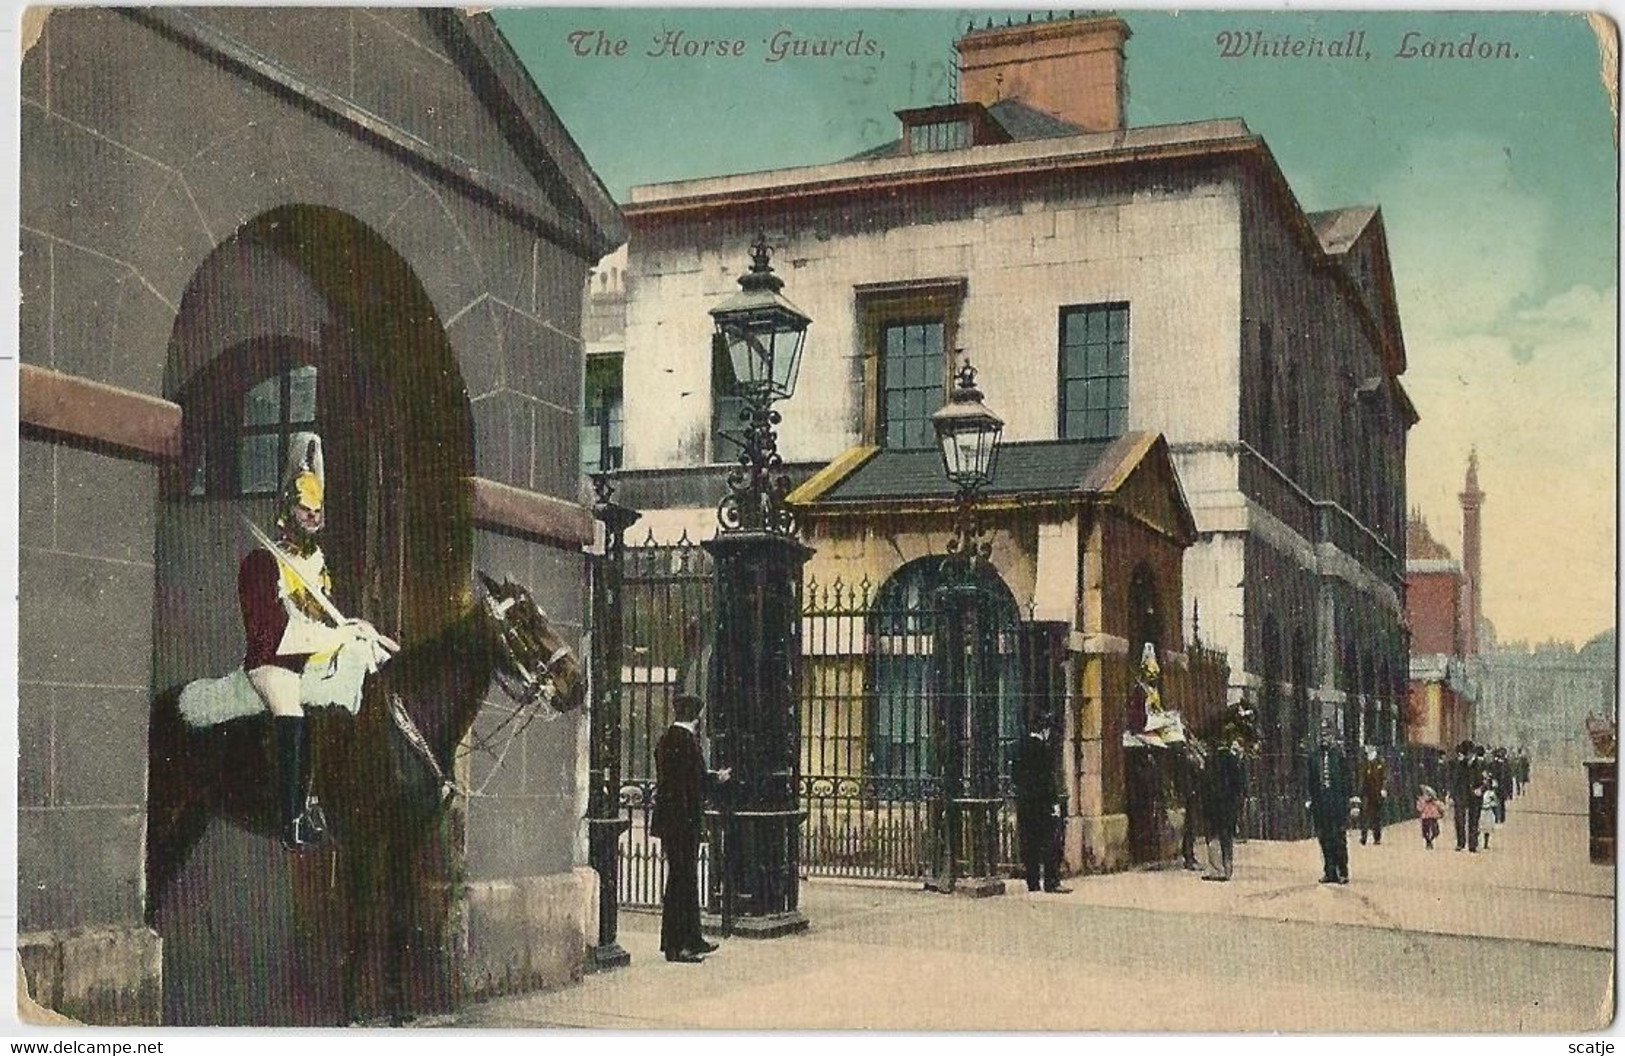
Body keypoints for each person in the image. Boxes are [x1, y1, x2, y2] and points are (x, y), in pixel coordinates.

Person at [239, 436, 395, 851]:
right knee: (292, 711)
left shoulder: (317, 561)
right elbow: (270, 631)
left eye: (316, 511)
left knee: (368, 661)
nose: (310, 517)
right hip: (274, 660)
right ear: (287, 513)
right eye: (304, 510)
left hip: (312, 649)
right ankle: (290, 818)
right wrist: (333, 636)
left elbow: (326, 615)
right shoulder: (262, 560)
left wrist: (356, 629)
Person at [652, 694, 731, 963]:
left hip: (671, 822)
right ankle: (678, 946)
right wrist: (715, 779)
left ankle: (690, 939)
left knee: (682, 880)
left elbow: (680, 780)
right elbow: (693, 782)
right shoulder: (687, 743)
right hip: (684, 822)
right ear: (697, 717)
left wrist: (707, 778)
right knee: (682, 882)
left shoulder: (667, 739)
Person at [1014, 720, 1070, 893]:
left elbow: (1015, 776)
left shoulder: (1019, 747)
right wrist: (1054, 803)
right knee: (1050, 843)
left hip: (1025, 804)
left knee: (1030, 843)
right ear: (1045, 731)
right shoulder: (1043, 750)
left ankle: (1032, 882)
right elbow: (1048, 780)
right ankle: (1051, 881)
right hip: (1042, 804)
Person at [1202, 720, 1248, 882]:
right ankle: (1227, 867)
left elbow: (1205, 783)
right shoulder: (1232, 760)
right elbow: (1239, 784)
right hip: (1228, 803)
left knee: (1213, 834)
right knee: (1226, 835)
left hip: (1213, 803)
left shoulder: (1210, 760)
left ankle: (1216, 868)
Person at [1306, 723, 1351, 884]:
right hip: (1321, 804)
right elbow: (1310, 780)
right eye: (1322, 735)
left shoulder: (1339, 755)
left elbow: (1347, 780)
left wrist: (1350, 802)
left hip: (1337, 804)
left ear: (1333, 737)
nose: (1325, 739)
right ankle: (1329, 871)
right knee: (1324, 838)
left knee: (1338, 838)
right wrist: (1310, 799)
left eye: (1328, 735)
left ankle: (1342, 871)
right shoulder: (1314, 756)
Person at [1449, 740, 1477, 852]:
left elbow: (1484, 779)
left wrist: (1480, 789)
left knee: (1473, 820)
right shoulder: (1457, 764)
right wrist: (1451, 795)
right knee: (1459, 820)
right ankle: (1460, 843)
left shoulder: (1477, 764)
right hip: (1460, 794)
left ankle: (1472, 844)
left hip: (1474, 795)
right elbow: (1453, 780)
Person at [1358, 746, 1387, 846]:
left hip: (1377, 792)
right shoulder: (1364, 762)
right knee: (1365, 815)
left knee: (1376, 816)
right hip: (1366, 792)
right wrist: (1359, 792)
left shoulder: (1380, 761)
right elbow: (1361, 777)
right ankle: (1363, 836)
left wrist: (1383, 788)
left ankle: (1377, 837)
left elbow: (1385, 777)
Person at [1416, 785, 1444, 849]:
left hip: (1433, 817)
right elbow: (1419, 809)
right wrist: (1423, 802)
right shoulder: (1421, 800)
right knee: (1426, 831)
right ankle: (1428, 842)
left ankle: (1431, 839)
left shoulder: (1435, 801)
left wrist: (1435, 803)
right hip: (1425, 818)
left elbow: (1441, 807)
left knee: (1435, 831)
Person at [1477, 770, 1500, 850]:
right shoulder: (1480, 793)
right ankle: (1476, 842)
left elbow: (1496, 803)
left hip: (1488, 811)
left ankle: (1485, 844)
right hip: (1481, 810)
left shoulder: (1491, 793)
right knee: (1479, 827)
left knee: (1487, 828)